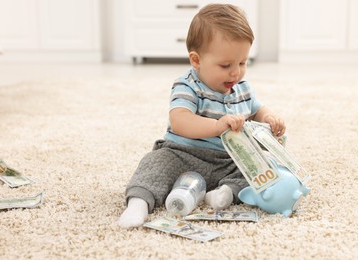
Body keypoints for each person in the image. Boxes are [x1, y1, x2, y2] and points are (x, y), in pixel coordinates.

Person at [119, 3, 285, 229]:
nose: (236, 72)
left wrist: (269, 118)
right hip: (184, 154)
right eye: (226, 65)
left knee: (263, 167)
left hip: (229, 160)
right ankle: (138, 203)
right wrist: (217, 126)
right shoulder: (187, 85)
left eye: (242, 62)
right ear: (196, 60)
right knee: (154, 164)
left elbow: (256, 109)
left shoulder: (242, 87)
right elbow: (180, 121)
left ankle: (223, 194)